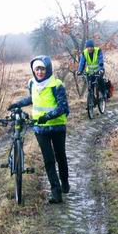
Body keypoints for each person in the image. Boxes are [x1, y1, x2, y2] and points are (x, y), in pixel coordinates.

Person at [9, 56, 70, 204]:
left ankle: (65, 182)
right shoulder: (32, 83)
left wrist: (47, 116)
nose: (40, 72)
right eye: (37, 69)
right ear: (33, 70)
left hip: (57, 127)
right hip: (40, 129)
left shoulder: (57, 85)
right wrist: (17, 104)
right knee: (48, 160)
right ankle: (56, 193)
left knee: (60, 156)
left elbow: (63, 107)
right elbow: (33, 98)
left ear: (48, 69)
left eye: (42, 68)